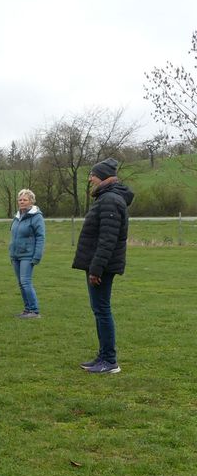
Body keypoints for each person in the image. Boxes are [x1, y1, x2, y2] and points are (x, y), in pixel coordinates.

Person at [73, 158, 134, 375]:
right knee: (99, 310)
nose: (90, 178)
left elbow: (107, 239)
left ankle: (109, 361)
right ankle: (103, 356)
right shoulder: (107, 198)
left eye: (93, 175)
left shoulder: (110, 200)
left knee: (102, 310)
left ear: (103, 177)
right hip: (99, 264)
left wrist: (96, 269)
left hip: (101, 267)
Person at [9, 189, 45, 318]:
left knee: (25, 282)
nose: (22, 202)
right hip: (16, 256)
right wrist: (11, 253)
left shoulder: (36, 217)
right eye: (20, 200)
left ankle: (34, 311)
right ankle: (27, 309)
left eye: (25, 199)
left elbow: (41, 237)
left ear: (31, 201)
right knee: (21, 283)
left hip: (28, 255)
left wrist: (37, 256)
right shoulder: (17, 217)